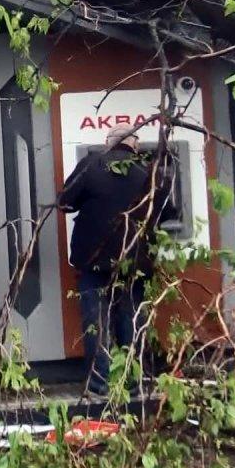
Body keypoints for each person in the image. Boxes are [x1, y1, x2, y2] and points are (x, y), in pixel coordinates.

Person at [59, 123, 172, 396]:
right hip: (136, 259)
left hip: (94, 259)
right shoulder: (149, 172)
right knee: (131, 320)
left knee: (97, 321)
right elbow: (166, 212)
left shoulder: (91, 164)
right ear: (134, 144)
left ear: (108, 143)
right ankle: (130, 385)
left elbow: (65, 201)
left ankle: (100, 385)